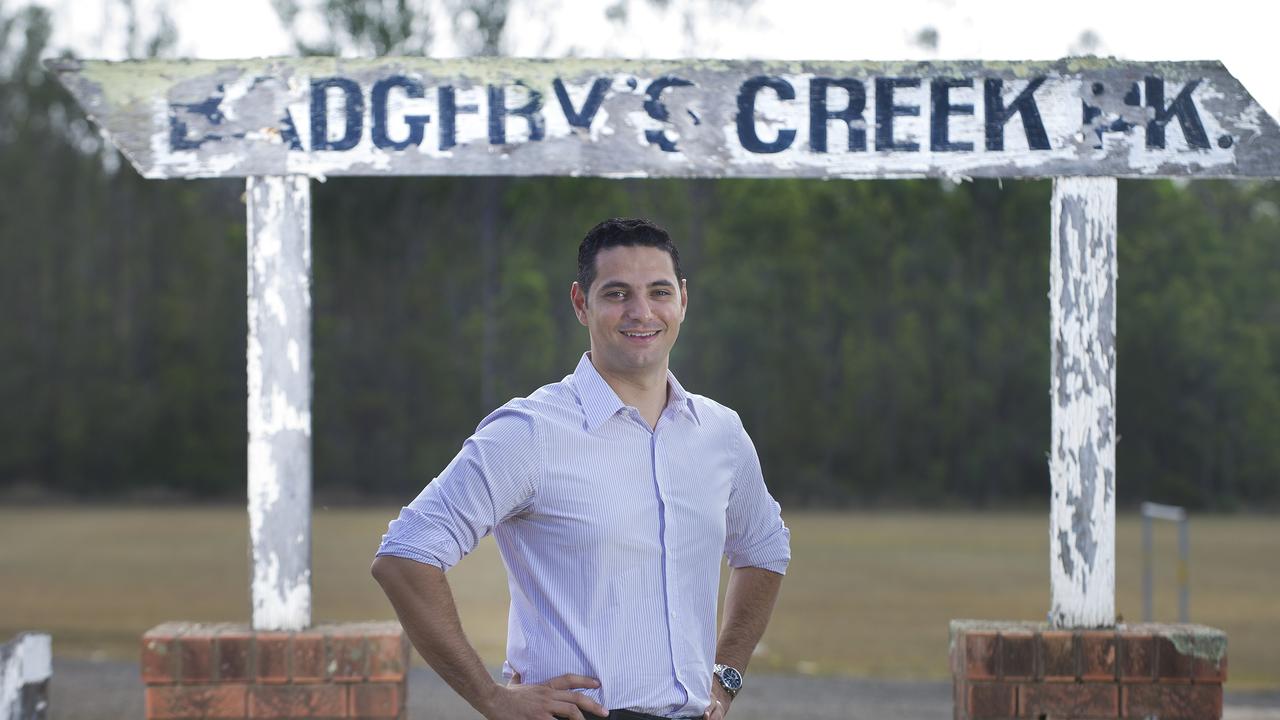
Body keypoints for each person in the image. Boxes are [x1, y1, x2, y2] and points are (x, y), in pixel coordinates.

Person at [372, 217, 790, 720]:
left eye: (658, 291)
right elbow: (405, 554)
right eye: (616, 294)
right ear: (580, 303)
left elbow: (764, 549)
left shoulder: (720, 432)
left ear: (682, 298)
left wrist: (726, 675)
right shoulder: (529, 432)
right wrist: (490, 696)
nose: (641, 312)